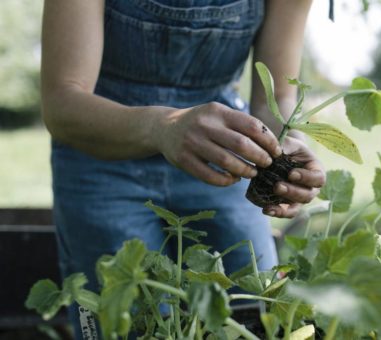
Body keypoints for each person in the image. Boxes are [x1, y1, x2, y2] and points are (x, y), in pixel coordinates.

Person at [41, 0, 325, 337]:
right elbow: (62, 103)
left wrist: (285, 148)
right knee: (120, 323)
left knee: (258, 310)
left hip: (220, 154)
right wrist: (162, 128)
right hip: (101, 151)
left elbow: (274, 99)